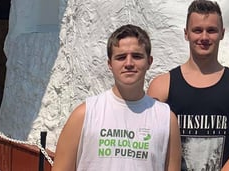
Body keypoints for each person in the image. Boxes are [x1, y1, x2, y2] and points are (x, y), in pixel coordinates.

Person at [53, 24, 182, 171]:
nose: (129, 63)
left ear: (149, 62)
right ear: (110, 64)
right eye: (121, 57)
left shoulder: (166, 119)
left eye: (137, 56)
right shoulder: (84, 115)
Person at [148, 0, 229, 171]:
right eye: (197, 30)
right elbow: (153, 149)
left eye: (211, 30)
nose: (204, 37)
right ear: (186, 34)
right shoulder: (161, 86)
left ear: (222, 33)